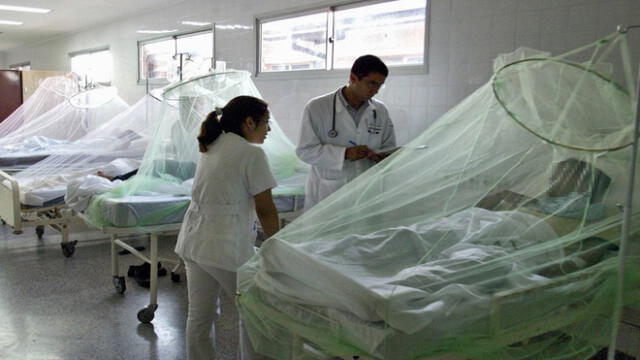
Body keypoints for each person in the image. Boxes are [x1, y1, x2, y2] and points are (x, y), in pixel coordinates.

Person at [174, 96, 279, 360]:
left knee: (200, 316)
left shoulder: (213, 144)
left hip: (193, 241)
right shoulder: (251, 153)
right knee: (255, 312)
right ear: (248, 122)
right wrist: (277, 245)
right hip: (224, 247)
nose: (269, 129)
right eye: (266, 123)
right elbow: (266, 208)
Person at [296, 54, 396, 210]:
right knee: (328, 231)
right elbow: (305, 151)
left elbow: (389, 147)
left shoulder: (380, 111)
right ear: (353, 78)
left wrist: (382, 156)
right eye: (371, 83)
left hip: (368, 192)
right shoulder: (317, 107)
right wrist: (344, 154)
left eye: (380, 85)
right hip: (329, 192)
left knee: (365, 232)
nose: (375, 90)